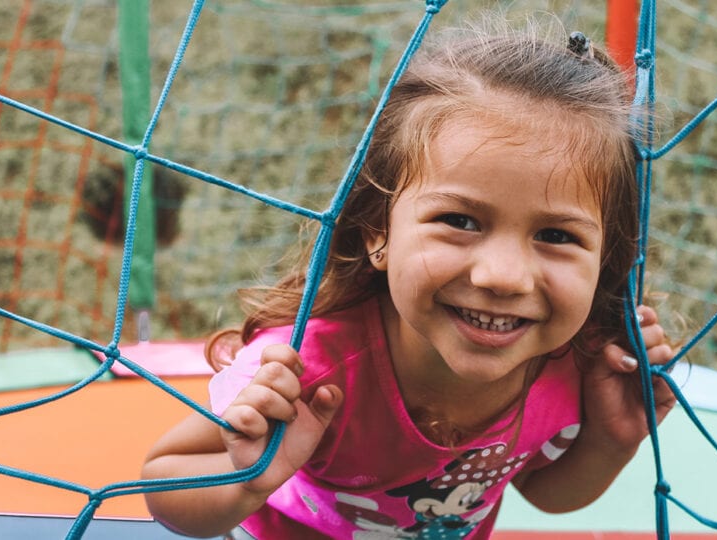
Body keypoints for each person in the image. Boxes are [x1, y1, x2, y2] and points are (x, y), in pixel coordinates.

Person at [141, 16, 677, 540]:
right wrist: (246, 481)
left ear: (605, 259)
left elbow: (544, 493)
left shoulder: (577, 361)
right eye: (459, 221)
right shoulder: (307, 368)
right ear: (378, 232)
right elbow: (164, 484)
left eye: (557, 236)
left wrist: (612, 438)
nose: (503, 277)